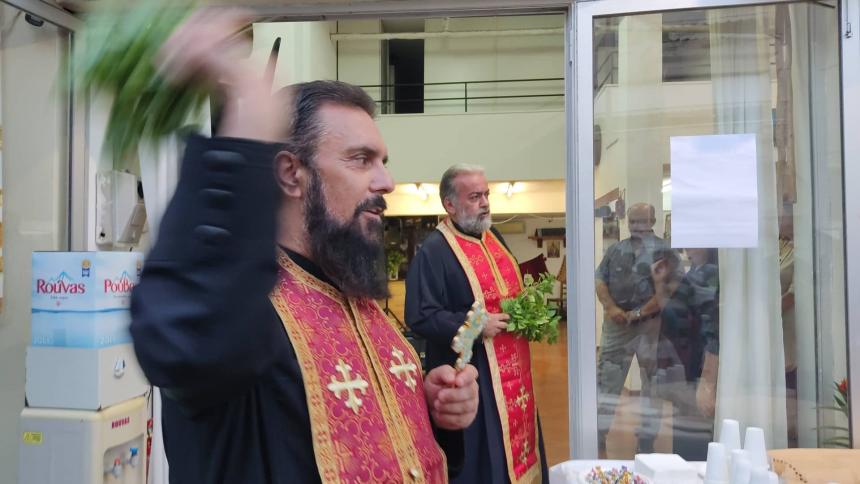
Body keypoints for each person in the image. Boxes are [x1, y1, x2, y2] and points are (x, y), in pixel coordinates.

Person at [130, 11, 479, 483]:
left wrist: (434, 414)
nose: (387, 182)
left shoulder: (360, 301)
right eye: (361, 160)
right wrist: (241, 143)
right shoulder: (244, 308)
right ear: (291, 174)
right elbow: (185, 341)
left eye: (383, 161)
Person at [405, 164, 547, 484]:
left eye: (486, 194)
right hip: (475, 378)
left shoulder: (493, 237)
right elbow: (420, 315)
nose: (485, 203)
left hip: (514, 372)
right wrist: (476, 326)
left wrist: (527, 311)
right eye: (474, 197)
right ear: (450, 204)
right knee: (486, 459)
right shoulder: (434, 250)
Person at [594, 202, 670, 455]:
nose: (638, 226)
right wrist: (611, 308)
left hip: (651, 325)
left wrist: (638, 314)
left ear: (653, 221)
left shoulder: (664, 251)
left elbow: (666, 292)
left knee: (652, 384)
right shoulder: (616, 249)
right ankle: (598, 434)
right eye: (634, 221)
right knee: (607, 380)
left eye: (643, 221)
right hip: (617, 325)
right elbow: (600, 279)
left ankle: (647, 439)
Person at [650, 247, 719, 461]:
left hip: (698, 369)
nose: (686, 245)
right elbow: (671, 313)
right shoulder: (695, 273)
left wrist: (707, 382)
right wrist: (659, 284)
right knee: (685, 441)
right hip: (686, 370)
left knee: (693, 446)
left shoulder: (710, 273)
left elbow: (712, 331)